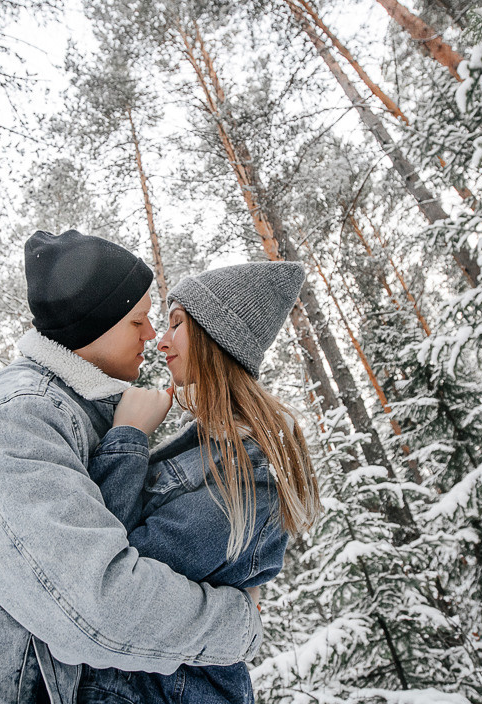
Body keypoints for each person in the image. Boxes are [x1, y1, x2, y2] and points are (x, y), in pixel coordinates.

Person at [0, 230, 262, 704]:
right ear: (95, 325)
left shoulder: (75, 415)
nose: (151, 336)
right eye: (139, 321)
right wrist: (240, 624)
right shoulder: (13, 419)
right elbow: (96, 606)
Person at [79, 261, 322, 704]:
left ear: (216, 340)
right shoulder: (205, 444)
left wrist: (128, 438)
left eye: (176, 324)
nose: (161, 340)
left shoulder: (252, 474)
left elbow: (107, 574)